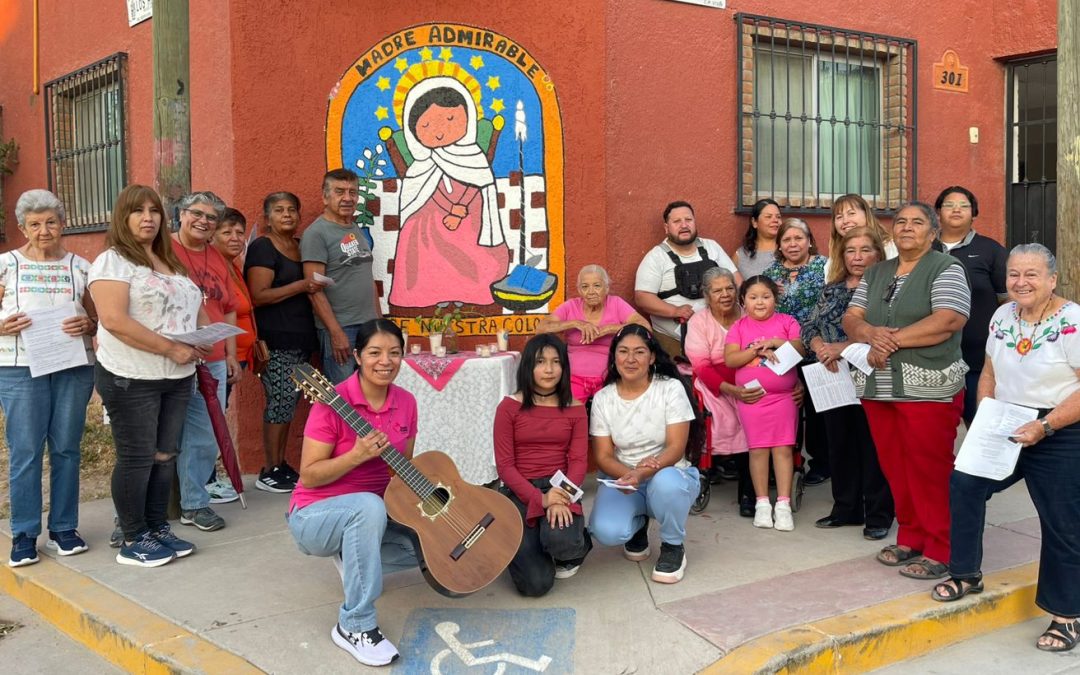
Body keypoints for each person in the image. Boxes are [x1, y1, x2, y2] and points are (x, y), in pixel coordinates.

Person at [934, 244, 1080, 653]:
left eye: (1032, 274)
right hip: (1006, 418)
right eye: (1014, 274)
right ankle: (965, 573)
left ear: (1052, 279)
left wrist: (1046, 424)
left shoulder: (1073, 321)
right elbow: (991, 371)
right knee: (965, 484)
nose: (1021, 282)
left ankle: (1066, 616)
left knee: (1061, 521)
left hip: (1060, 427)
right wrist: (986, 414)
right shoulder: (1002, 316)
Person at [843, 201, 970, 580]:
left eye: (917, 222)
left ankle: (942, 547)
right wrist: (869, 335)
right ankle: (911, 535)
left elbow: (948, 319)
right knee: (895, 467)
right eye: (900, 222)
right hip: (879, 387)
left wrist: (889, 341)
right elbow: (852, 317)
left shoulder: (946, 267)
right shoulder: (878, 270)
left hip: (928, 388)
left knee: (929, 469)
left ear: (932, 232)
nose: (907, 228)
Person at [286, 319, 418, 667]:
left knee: (431, 549)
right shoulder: (330, 402)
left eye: (394, 353)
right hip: (315, 515)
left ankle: (356, 555)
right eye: (374, 352)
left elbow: (403, 471)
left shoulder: (406, 402)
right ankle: (354, 625)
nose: (385, 361)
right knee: (368, 506)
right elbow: (310, 476)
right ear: (357, 356)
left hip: (374, 513)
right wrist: (356, 455)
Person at [90, 184, 205, 567]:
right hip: (131, 375)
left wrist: (203, 337)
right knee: (137, 457)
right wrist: (171, 347)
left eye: (154, 210)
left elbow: (192, 307)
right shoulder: (112, 261)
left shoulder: (170, 262)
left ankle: (157, 528)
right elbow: (114, 320)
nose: (148, 218)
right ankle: (133, 536)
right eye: (137, 211)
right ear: (122, 217)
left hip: (176, 375)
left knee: (164, 455)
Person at [1, 190, 96, 567]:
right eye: (35, 224)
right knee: (25, 450)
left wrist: (89, 323)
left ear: (63, 224)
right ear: (22, 227)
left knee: (67, 448)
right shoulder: (6, 265)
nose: (44, 230)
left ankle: (64, 528)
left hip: (72, 365)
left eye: (51, 222)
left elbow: (97, 317)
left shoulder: (80, 267)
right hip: (19, 368)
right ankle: (24, 533)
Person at [588, 324, 701, 583]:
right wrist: (632, 475)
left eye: (639, 352)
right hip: (626, 478)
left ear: (651, 358)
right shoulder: (604, 398)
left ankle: (673, 546)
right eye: (623, 351)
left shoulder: (670, 388)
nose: (630, 359)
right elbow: (604, 456)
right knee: (606, 531)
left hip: (668, 473)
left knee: (666, 484)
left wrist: (644, 471)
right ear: (614, 357)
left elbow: (675, 447)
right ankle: (637, 523)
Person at [802, 227, 894, 539]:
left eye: (865, 250)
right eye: (850, 250)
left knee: (872, 446)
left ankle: (878, 515)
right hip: (830, 376)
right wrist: (819, 348)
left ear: (878, 254)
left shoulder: (887, 288)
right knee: (839, 445)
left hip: (870, 376)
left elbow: (887, 330)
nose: (857, 257)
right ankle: (846, 509)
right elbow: (810, 325)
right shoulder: (832, 289)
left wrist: (839, 349)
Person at [390, 79, 510, 309]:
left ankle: (471, 292)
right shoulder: (421, 165)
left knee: (476, 247)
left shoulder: (473, 158)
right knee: (416, 235)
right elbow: (423, 191)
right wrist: (449, 209)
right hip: (432, 221)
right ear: (413, 130)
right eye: (426, 125)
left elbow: (477, 185)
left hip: (469, 217)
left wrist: (459, 209)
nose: (439, 132)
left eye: (450, 119)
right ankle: (432, 294)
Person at [493, 334, 591, 596]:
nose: (549, 369)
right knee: (535, 586)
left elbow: (579, 461)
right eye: (540, 362)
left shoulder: (575, 408)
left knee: (562, 543)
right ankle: (525, 547)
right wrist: (540, 499)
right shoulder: (508, 407)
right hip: (520, 491)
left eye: (556, 361)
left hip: (560, 486)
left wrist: (562, 497)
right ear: (528, 366)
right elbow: (505, 467)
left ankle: (578, 541)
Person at [171, 191, 241, 532]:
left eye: (211, 217)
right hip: (171, 355)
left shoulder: (216, 256)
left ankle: (195, 504)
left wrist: (231, 354)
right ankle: (139, 512)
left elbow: (227, 306)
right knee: (158, 434)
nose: (203, 221)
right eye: (197, 213)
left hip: (211, 358)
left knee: (204, 434)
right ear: (181, 214)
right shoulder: (162, 250)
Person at [245, 192, 323, 493]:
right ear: (267, 218)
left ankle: (281, 464)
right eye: (279, 210)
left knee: (288, 402)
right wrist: (302, 285)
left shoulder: (302, 245)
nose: (287, 215)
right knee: (278, 402)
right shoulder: (263, 247)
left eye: (292, 209)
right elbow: (258, 295)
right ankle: (269, 468)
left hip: (301, 339)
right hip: (276, 340)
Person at [724, 276, 805, 531]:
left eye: (766, 296)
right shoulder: (738, 327)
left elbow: (800, 348)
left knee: (782, 449)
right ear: (743, 301)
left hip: (783, 398)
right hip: (753, 398)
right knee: (758, 450)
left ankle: (782, 504)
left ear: (775, 299)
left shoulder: (787, 322)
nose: (760, 302)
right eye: (753, 297)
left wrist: (774, 342)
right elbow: (731, 360)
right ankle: (761, 503)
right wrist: (756, 350)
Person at [763, 218, 830, 486]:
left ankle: (821, 463)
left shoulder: (824, 266)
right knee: (785, 404)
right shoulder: (771, 272)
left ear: (809, 240)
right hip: (783, 350)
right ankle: (784, 460)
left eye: (798, 238)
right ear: (779, 244)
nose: (793, 244)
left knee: (817, 409)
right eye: (787, 239)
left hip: (816, 346)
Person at [934, 186, 1007, 426]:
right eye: (949, 205)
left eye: (964, 205)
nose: (956, 210)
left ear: (974, 214)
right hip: (934, 358)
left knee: (981, 427)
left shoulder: (991, 250)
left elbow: (1007, 300)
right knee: (937, 430)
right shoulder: (924, 250)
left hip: (980, 360)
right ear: (937, 213)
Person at [683, 267, 753, 517]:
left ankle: (749, 491)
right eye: (717, 290)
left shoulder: (750, 316)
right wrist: (731, 389)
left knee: (755, 416)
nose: (725, 294)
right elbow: (701, 366)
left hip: (750, 382)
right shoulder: (699, 322)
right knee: (723, 417)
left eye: (729, 288)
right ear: (706, 295)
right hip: (716, 388)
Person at [301, 169, 381, 384]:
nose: (347, 198)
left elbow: (367, 279)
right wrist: (336, 333)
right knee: (344, 399)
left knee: (371, 393)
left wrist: (379, 323)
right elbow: (313, 290)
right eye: (339, 192)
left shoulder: (354, 227)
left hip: (368, 327)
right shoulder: (316, 234)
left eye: (352, 192)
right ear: (325, 197)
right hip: (342, 329)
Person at [634, 201, 739, 358]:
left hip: (722, 335)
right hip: (676, 340)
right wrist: (674, 311)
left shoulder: (711, 247)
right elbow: (642, 297)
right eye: (677, 221)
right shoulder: (656, 257)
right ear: (666, 228)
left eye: (688, 220)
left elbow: (737, 281)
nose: (684, 225)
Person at [535, 265, 648, 401]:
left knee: (610, 413)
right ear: (579, 290)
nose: (591, 292)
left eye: (597, 286)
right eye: (585, 287)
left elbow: (645, 327)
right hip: (573, 379)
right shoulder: (571, 306)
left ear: (606, 288)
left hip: (610, 378)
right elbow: (541, 328)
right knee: (570, 413)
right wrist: (575, 323)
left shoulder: (616, 304)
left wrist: (609, 328)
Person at [823, 194, 896, 280]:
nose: (845, 221)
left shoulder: (889, 247)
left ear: (866, 214)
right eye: (839, 217)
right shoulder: (833, 260)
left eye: (851, 213)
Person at [733, 198, 782, 279]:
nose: (775, 220)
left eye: (778, 217)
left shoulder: (789, 250)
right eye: (768, 217)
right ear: (754, 222)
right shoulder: (740, 256)